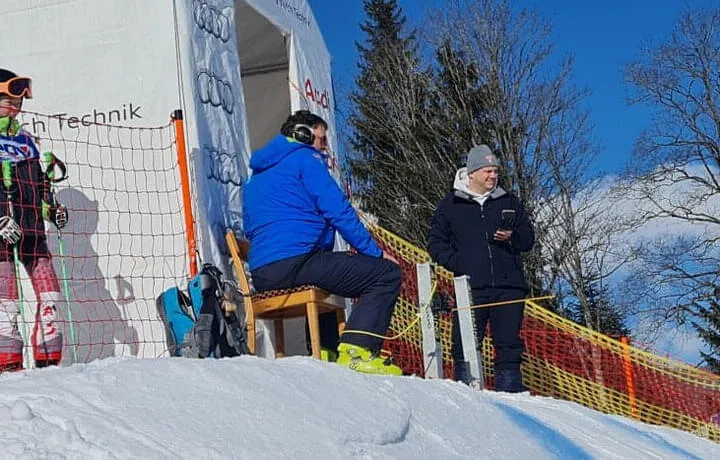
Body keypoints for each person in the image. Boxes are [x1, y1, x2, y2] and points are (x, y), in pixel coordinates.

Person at [242, 110, 402, 376]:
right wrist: (374, 252)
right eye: (322, 139)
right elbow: (338, 211)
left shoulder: (256, 177)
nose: (326, 147)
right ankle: (356, 351)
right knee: (385, 275)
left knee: (328, 270)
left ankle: (326, 351)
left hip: (263, 274)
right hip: (296, 263)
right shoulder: (305, 160)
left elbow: (250, 228)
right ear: (303, 134)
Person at [428, 144, 535, 392]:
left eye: (495, 171)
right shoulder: (450, 205)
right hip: (470, 286)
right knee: (465, 342)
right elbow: (435, 242)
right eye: (487, 171)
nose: (493, 176)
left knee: (509, 343)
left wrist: (511, 237)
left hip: (509, 286)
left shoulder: (508, 201)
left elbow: (528, 238)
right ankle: (467, 393)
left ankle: (511, 394)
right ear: (472, 173)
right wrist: (458, 264)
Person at [0, 68, 68, 371]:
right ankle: (8, 366)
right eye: (9, 99)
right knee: (7, 303)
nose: (16, 105)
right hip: (2, 233)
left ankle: (48, 362)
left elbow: (39, 184)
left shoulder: (26, 140)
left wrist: (51, 208)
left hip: (31, 230)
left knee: (51, 294)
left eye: (19, 100)